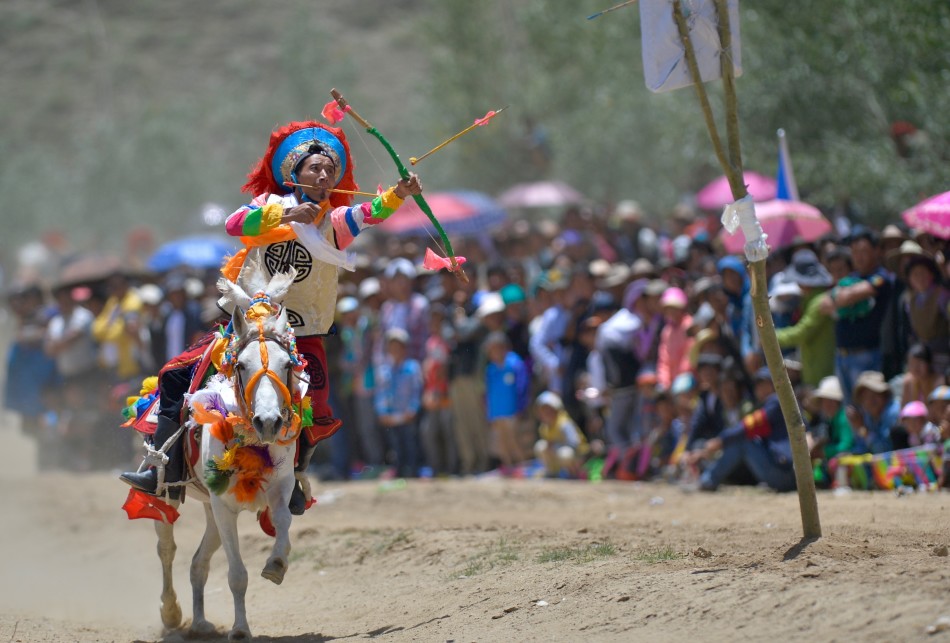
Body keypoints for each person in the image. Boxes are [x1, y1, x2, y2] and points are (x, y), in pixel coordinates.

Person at [121, 121, 421, 511]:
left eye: (330, 170)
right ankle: (163, 468)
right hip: (250, 328)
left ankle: (294, 474)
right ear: (294, 174)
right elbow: (233, 224)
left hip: (303, 332)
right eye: (315, 168)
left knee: (316, 401)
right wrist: (287, 215)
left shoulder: (335, 221)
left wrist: (400, 192)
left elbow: (372, 211)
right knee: (178, 376)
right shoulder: (267, 206)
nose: (324, 175)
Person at [819, 226, 894, 403]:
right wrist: (842, 297)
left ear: (875, 251)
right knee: (850, 411)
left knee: (868, 407)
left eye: (863, 251)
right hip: (843, 355)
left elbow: (846, 296)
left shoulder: (881, 277)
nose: (858, 257)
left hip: (867, 354)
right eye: (854, 252)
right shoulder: (852, 277)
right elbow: (823, 304)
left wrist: (842, 297)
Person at [699, 368, 797, 492]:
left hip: (786, 476)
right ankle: (707, 479)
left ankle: (707, 481)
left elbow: (746, 427)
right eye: (758, 385)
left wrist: (720, 440)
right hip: (786, 473)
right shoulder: (773, 404)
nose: (760, 389)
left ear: (774, 384)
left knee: (743, 441)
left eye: (764, 384)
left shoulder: (776, 402)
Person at [774, 249, 836, 388]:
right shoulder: (808, 299)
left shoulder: (819, 301)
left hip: (822, 369)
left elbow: (802, 332)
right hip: (814, 368)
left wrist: (772, 337)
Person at [375, 328, 423, 478]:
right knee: (396, 446)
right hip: (391, 416)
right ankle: (399, 471)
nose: (394, 349)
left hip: (407, 415)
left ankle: (413, 471)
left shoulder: (412, 368)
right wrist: (382, 413)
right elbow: (381, 393)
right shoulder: (384, 370)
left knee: (410, 444)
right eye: (392, 346)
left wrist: (412, 410)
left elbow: (416, 391)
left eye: (398, 346)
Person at [484, 332, 530, 474]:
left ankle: (522, 468)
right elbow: (488, 392)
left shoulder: (515, 364)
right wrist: (489, 413)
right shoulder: (491, 369)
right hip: (497, 412)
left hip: (513, 411)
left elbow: (523, 387)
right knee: (501, 444)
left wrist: (521, 407)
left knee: (515, 441)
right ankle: (508, 468)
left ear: (504, 347)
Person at [533, 391, 588, 477]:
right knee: (541, 446)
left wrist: (555, 444)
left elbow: (575, 444)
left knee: (564, 454)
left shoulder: (564, 423)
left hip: (578, 456)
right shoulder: (544, 427)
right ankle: (552, 473)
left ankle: (574, 474)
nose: (546, 412)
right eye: (543, 410)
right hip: (557, 452)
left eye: (548, 409)